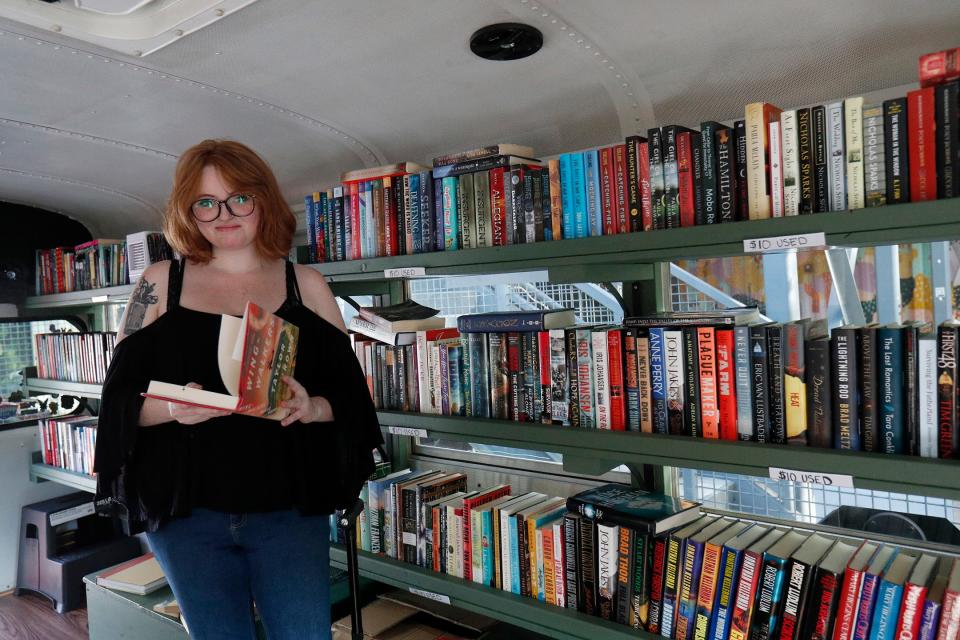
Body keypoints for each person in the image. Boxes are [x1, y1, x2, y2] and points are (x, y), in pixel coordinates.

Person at [93, 139, 383, 640]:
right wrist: (172, 408)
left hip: (288, 513)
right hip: (186, 517)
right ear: (188, 212)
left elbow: (354, 400)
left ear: (263, 200)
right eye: (205, 202)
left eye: (238, 198)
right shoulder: (158, 283)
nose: (223, 214)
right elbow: (118, 404)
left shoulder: (306, 285)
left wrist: (311, 407)